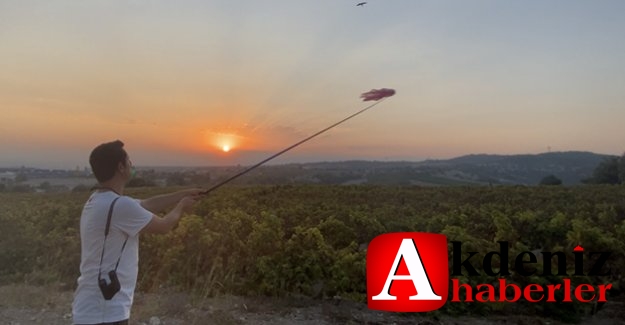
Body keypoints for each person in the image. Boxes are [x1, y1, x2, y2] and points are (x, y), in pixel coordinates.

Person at [72, 140, 204, 325]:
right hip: (105, 311)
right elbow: (165, 226)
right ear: (120, 167)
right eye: (129, 161)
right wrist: (181, 206)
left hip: (92, 307)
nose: (132, 165)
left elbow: (147, 204)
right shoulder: (120, 206)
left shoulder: (99, 200)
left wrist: (183, 193)